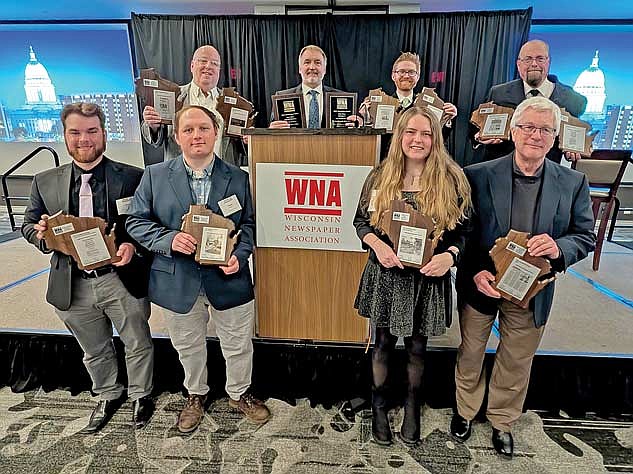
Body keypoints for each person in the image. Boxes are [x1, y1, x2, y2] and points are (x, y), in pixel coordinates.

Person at [452, 96, 595, 457]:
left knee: (517, 358)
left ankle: (501, 420)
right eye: (528, 127)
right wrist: (472, 272)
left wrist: (560, 247)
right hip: (483, 282)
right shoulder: (477, 175)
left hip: (533, 291)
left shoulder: (574, 182)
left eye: (545, 129)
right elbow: (462, 232)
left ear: (555, 137)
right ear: (513, 131)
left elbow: (584, 235)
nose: (536, 135)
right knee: (470, 350)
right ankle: (465, 411)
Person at [127, 105, 270, 433]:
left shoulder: (238, 177)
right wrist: (168, 239)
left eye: (204, 128)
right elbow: (135, 221)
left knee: (237, 342)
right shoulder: (155, 175)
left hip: (228, 276)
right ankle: (195, 394)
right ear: (177, 136)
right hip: (177, 280)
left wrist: (241, 254)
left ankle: (239, 393)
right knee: (188, 344)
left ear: (215, 133)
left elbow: (247, 225)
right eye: (188, 129)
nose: (197, 135)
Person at [22, 102, 155, 433]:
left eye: (92, 131)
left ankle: (141, 394)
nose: (84, 139)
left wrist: (132, 246)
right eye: (76, 132)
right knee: (94, 348)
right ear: (65, 136)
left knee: (137, 341)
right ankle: (108, 394)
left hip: (118, 278)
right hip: (72, 282)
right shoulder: (44, 181)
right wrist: (44, 238)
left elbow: (148, 224)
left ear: (104, 134)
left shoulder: (134, 178)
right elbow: (27, 225)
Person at [353, 106, 472, 446]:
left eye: (426, 133)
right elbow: (360, 222)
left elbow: (464, 232)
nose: (417, 140)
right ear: (399, 136)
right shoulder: (380, 176)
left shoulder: (452, 179)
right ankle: (378, 405)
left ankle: (411, 406)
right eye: (410, 132)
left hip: (426, 280)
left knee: (418, 348)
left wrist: (449, 256)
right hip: (387, 274)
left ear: (436, 138)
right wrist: (376, 244)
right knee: (382, 345)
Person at [474, 39, 587, 163]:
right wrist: (478, 137)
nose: (534, 64)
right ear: (518, 64)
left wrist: (575, 150)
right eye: (527, 59)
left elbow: (575, 139)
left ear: (548, 62)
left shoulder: (573, 100)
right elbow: (476, 129)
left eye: (540, 59)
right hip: (501, 172)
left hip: (547, 175)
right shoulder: (498, 93)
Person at [141, 44, 247, 166]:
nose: (208, 66)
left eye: (214, 63)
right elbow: (154, 138)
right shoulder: (173, 96)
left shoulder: (234, 104)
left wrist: (247, 140)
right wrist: (152, 125)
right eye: (203, 61)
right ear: (192, 66)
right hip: (179, 178)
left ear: (219, 71)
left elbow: (240, 146)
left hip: (222, 178)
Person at [363, 52, 458, 159]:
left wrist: (448, 119)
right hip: (388, 164)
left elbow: (438, 140)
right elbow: (372, 143)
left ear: (417, 77)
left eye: (412, 72)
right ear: (393, 75)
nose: (406, 75)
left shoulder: (429, 107)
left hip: (419, 166)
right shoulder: (378, 107)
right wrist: (366, 118)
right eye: (401, 72)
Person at [269, 45, 361, 128]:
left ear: (324, 69)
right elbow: (272, 136)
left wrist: (358, 127)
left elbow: (353, 130)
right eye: (307, 62)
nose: (312, 67)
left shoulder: (343, 98)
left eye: (317, 62)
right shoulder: (281, 98)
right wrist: (272, 131)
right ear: (300, 68)